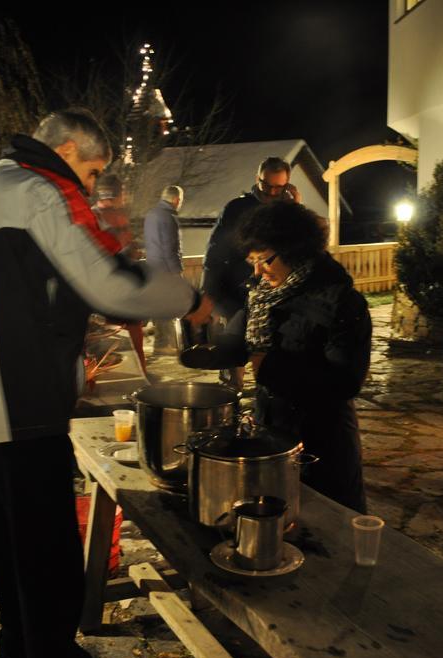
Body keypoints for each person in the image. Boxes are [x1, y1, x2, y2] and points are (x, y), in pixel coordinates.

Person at [0, 108, 212, 658]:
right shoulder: (39, 191)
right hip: (17, 399)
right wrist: (187, 298)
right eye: (92, 170)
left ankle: (19, 642)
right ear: (71, 150)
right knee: (46, 543)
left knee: (4, 538)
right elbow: (108, 283)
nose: (89, 185)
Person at [216, 202, 371, 512]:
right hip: (273, 430)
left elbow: (345, 381)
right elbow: (241, 330)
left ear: (295, 250)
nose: (257, 271)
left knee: (330, 527)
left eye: (264, 260)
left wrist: (269, 366)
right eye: (252, 261)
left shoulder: (340, 302)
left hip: (322, 442)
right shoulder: (264, 293)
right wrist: (217, 349)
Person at [202, 157, 299, 387]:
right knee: (233, 355)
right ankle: (230, 401)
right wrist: (208, 291)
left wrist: (294, 207)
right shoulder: (237, 208)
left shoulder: (287, 210)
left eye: (279, 187)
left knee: (270, 356)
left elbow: (299, 246)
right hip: (237, 293)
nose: (273, 193)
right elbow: (215, 251)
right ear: (258, 180)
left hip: (274, 295)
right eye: (268, 186)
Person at [91, 173, 146, 370]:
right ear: (116, 193)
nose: (125, 196)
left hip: (113, 289)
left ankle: (136, 376)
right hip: (113, 290)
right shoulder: (103, 217)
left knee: (121, 343)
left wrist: (132, 250)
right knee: (119, 344)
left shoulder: (103, 215)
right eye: (123, 192)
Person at [143, 185, 185, 355]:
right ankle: (165, 345)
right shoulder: (168, 218)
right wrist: (177, 272)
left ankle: (160, 344)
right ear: (176, 200)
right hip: (166, 270)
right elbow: (170, 248)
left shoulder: (151, 214)